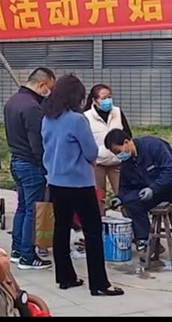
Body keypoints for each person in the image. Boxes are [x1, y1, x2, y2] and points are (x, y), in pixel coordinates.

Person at [41, 74, 124, 296]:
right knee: (93, 232)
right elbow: (91, 152)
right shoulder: (77, 120)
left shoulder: (48, 118)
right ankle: (99, 284)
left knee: (61, 229)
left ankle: (65, 277)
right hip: (79, 183)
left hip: (56, 181)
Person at [104, 129, 172, 265]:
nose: (119, 156)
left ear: (126, 142)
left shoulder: (154, 145)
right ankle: (147, 242)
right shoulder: (127, 162)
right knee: (131, 202)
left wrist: (153, 188)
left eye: (118, 151)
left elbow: (171, 170)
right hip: (153, 192)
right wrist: (121, 198)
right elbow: (125, 187)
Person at [4, 67, 56, 269]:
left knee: (23, 207)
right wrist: (46, 165)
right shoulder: (32, 107)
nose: (49, 93)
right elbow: (37, 143)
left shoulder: (12, 101)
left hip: (17, 161)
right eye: (50, 88)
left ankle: (17, 250)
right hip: (31, 164)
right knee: (32, 211)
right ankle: (27, 256)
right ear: (42, 85)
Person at [85, 84, 133, 215]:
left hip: (117, 161)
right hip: (98, 163)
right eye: (104, 98)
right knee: (98, 197)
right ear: (95, 100)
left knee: (124, 194)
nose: (108, 101)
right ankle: (99, 222)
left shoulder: (117, 112)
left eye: (109, 97)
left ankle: (130, 220)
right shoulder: (86, 116)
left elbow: (128, 134)